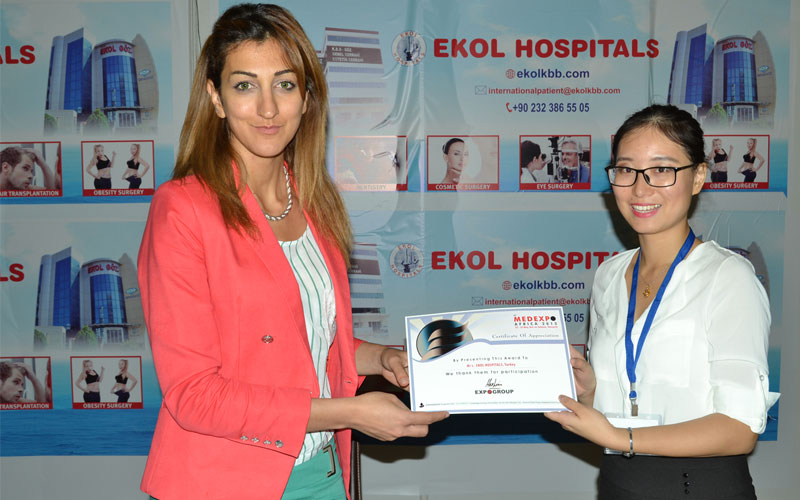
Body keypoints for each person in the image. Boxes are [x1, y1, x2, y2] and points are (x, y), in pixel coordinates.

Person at [137, 4, 448, 499]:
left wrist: (380, 358)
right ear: (216, 98)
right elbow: (194, 395)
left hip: (322, 474)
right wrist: (349, 412)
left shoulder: (312, 198)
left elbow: (303, 342)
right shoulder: (183, 209)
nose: (267, 108)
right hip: (224, 482)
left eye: (284, 84)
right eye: (245, 86)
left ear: (306, 98)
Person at [545, 104, 778, 499]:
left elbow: (739, 429)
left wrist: (620, 437)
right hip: (618, 483)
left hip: (699, 488)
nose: (640, 189)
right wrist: (589, 391)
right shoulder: (609, 275)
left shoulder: (728, 277)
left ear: (698, 176)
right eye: (626, 170)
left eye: (661, 169)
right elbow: (627, 399)